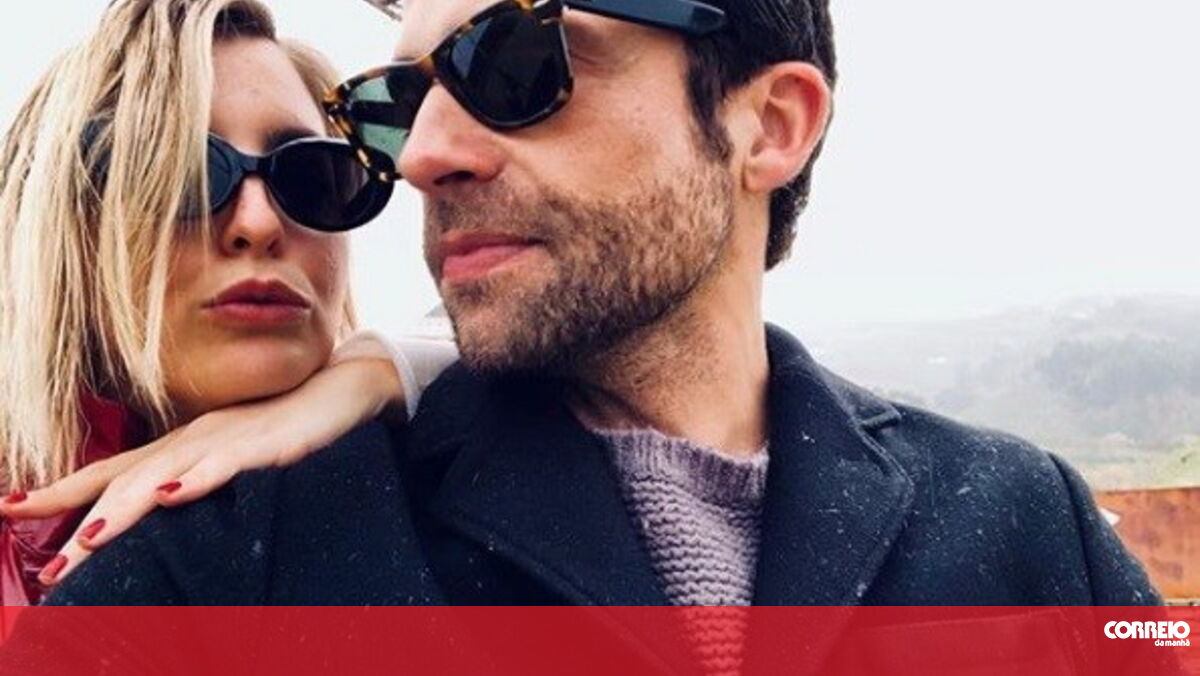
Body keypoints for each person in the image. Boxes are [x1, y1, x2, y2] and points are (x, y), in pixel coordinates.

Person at [10, 0, 1161, 670]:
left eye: (516, 63)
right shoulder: (209, 564)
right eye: (401, 104)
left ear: (770, 123)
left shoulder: (1029, 516)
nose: (424, 155)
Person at [0, 0, 455, 605]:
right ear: (60, 231)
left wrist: (381, 373)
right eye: (182, 176)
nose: (260, 223)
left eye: (310, 177)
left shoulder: (457, 480)